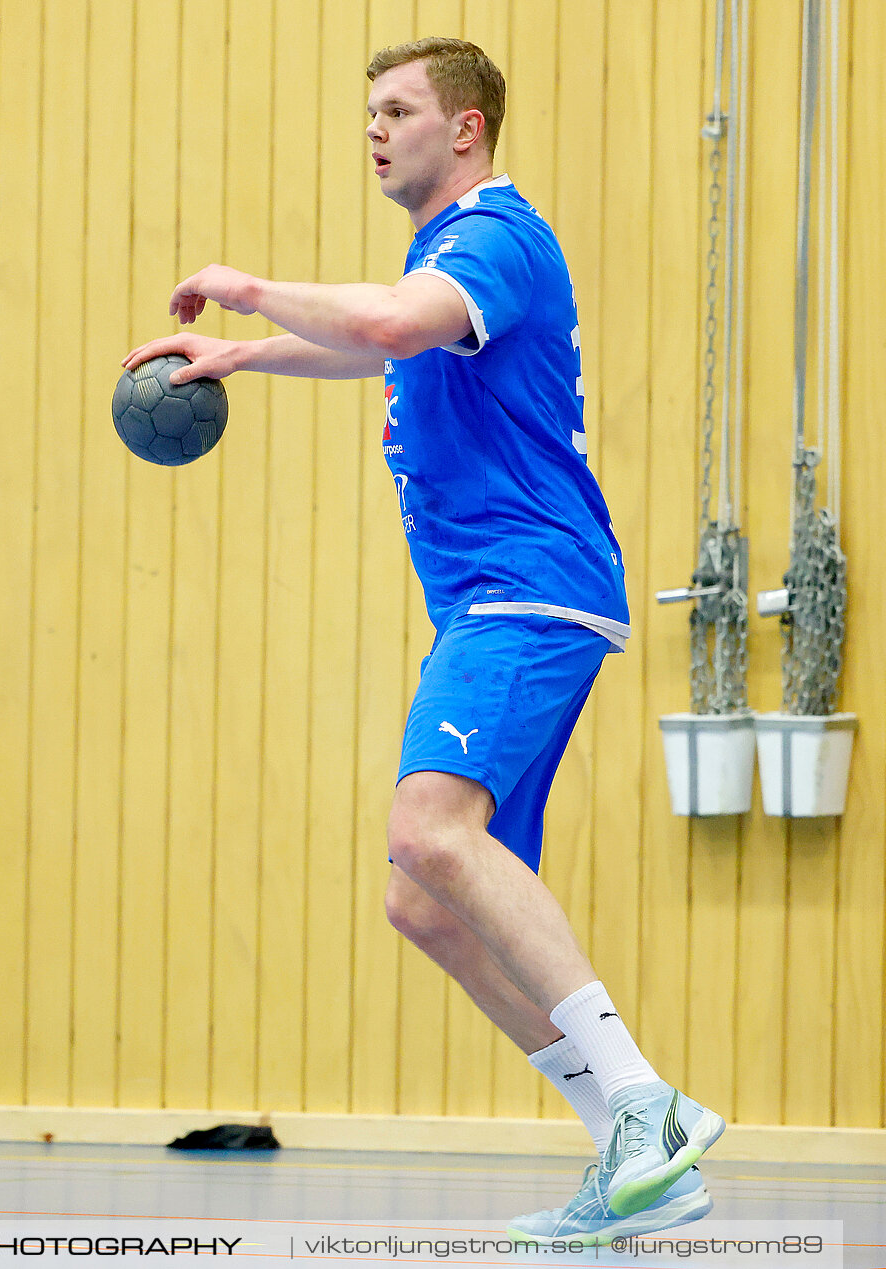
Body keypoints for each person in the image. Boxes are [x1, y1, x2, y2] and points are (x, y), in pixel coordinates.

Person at [124, 36, 722, 1243]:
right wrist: (248, 355)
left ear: (467, 127)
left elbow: (393, 324)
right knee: (427, 900)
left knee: (426, 829)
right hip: (491, 600)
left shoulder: (495, 235)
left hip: (527, 589)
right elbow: (375, 338)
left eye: (397, 110)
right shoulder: (444, 255)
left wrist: (245, 289)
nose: (375, 130)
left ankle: (649, 1105)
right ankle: (629, 1138)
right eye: (368, 114)